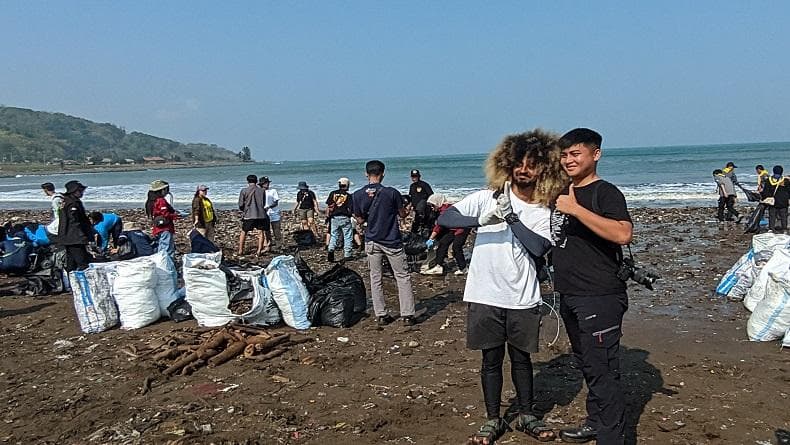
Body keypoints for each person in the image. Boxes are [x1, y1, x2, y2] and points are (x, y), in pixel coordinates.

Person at [436, 130, 562, 444]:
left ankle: (527, 415)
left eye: (531, 165)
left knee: (522, 359)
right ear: (507, 164)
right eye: (518, 163)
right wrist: (480, 220)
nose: (524, 170)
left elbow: (538, 248)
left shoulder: (543, 210)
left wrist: (511, 218)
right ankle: (493, 419)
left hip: (522, 297)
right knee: (490, 360)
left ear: (542, 169)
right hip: (483, 294)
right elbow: (449, 215)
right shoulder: (486, 197)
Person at [551, 128, 633, 445]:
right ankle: (596, 422)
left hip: (600, 296)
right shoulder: (560, 193)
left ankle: (611, 438)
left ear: (595, 154)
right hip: (570, 294)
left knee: (603, 371)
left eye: (576, 153)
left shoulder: (605, 192)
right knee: (587, 363)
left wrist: (576, 210)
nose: (569, 160)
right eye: (564, 154)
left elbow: (623, 234)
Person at [352, 160, 416, 326]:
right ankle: (407, 314)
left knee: (375, 278)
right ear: (383, 174)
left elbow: (359, 219)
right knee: (402, 276)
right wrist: (406, 209)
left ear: (366, 174)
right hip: (391, 239)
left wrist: (365, 220)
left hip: (372, 240)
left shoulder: (358, 194)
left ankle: (381, 314)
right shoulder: (391, 193)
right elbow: (402, 215)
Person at [420, 193, 471, 276]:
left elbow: (438, 226)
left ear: (437, 203)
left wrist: (431, 238)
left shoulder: (446, 210)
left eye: (433, 206)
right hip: (453, 228)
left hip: (463, 227)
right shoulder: (441, 209)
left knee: (456, 247)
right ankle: (438, 266)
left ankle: (463, 268)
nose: (432, 209)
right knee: (443, 243)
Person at [58, 180, 94, 271]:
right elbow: (74, 222)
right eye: (80, 191)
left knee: (71, 261)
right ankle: (82, 282)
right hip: (74, 237)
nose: (82, 193)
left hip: (67, 236)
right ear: (74, 191)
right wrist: (82, 236)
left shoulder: (65, 201)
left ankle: (69, 281)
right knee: (82, 262)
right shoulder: (72, 203)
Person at [145, 180, 178, 260]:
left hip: (158, 228)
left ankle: (161, 263)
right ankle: (166, 265)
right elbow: (165, 214)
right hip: (165, 228)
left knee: (162, 246)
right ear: (162, 190)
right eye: (166, 189)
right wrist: (176, 216)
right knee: (167, 248)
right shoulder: (161, 201)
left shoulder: (151, 201)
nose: (167, 191)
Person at [238, 174, 269, 256]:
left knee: (244, 232)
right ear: (256, 181)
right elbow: (264, 203)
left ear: (248, 181)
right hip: (261, 214)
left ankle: (240, 250)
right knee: (260, 232)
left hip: (249, 214)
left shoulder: (244, 190)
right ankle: (259, 251)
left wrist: (244, 209)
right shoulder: (262, 191)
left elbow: (241, 204)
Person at [326, 177, 354, 262]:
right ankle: (347, 254)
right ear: (347, 185)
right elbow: (351, 208)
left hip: (334, 217)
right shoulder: (348, 196)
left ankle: (331, 249)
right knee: (348, 236)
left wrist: (327, 217)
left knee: (334, 234)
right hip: (344, 217)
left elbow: (329, 206)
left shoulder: (332, 193)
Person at [762, 165, 789, 233]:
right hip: (783, 201)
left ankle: (771, 229)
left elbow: (765, 192)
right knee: (783, 216)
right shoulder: (785, 181)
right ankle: (784, 229)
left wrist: (765, 198)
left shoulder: (769, 180)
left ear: (773, 171)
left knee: (772, 216)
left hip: (773, 201)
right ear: (781, 172)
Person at [259, 176, 283, 250]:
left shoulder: (273, 191)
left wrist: (268, 207)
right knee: (266, 230)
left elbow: (276, 202)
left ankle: (279, 244)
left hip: (274, 212)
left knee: (276, 229)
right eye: (265, 183)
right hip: (264, 213)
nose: (267, 184)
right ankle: (269, 243)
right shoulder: (259, 192)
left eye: (267, 183)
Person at [408, 169, 434, 234]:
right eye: (413, 176)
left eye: (416, 176)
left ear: (419, 176)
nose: (414, 178)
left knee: (425, 225)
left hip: (425, 210)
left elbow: (431, 196)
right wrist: (409, 206)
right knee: (415, 225)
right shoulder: (412, 186)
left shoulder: (425, 185)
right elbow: (411, 197)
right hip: (416, 209)